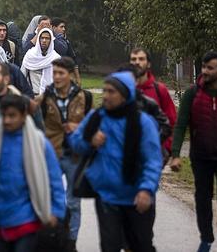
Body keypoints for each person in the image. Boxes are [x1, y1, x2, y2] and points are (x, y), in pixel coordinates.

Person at [69, 71, 162, 252]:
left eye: (111, 92)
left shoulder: (143, 122)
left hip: (136, 197)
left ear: (125, 94)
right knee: (109, 246)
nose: (106, 96)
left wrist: (146, 189)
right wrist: (90, 140)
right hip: (107, 197)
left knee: (141, 246)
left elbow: (153, 160)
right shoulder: (97, 117)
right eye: (104, 91)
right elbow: (75, 142)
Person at [0, 94, 66, 251]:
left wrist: (57, 211)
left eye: (12, 116)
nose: (7, 121)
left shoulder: (39, 143)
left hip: (28, 220)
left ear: (24, 116)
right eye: (4, 116)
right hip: (0, 220)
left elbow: (55, 179)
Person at [170, 51, 217, 252]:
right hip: (200, 156)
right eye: (204, 67)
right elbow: (181, 125)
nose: (205, 71)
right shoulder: (192, 94)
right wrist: (175, 154)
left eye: (210, 68)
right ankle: (206, 239)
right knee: (202, 199)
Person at [36, 57, 92, 251]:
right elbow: (34, 119)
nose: (57, 77)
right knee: (49, 196)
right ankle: (51, 236)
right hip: (52, 153)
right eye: (55, 73)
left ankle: (71, 241)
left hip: (74, 155)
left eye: (61, 73)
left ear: (69, 75)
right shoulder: (46, 96)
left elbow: (91, 124)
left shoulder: (83, 96)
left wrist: (80, 127)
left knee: (74, 202)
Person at [130, 48, 177, 162]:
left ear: (149, 63)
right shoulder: (123, 89)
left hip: (153, 153)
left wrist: (166, 148)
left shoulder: (160, 90)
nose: (137, 62)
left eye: (141, 59)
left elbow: (172, 120)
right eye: (133, 59)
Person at [21, 28, 61, 95]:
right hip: (32, 95)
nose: (44, 40)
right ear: (38, 39)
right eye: (42, 38)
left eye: (47, 38)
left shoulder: (56, 58)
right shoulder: (30, 55)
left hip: (50, 97)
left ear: (51, 40)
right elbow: (22, 76)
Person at [51, 18, 80, 85]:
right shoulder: (48, 40)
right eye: (61, 27)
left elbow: (73, 58)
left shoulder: (65, 41)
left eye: (64, 27)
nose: (64, 29)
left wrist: (77, 77)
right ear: (54, 28)